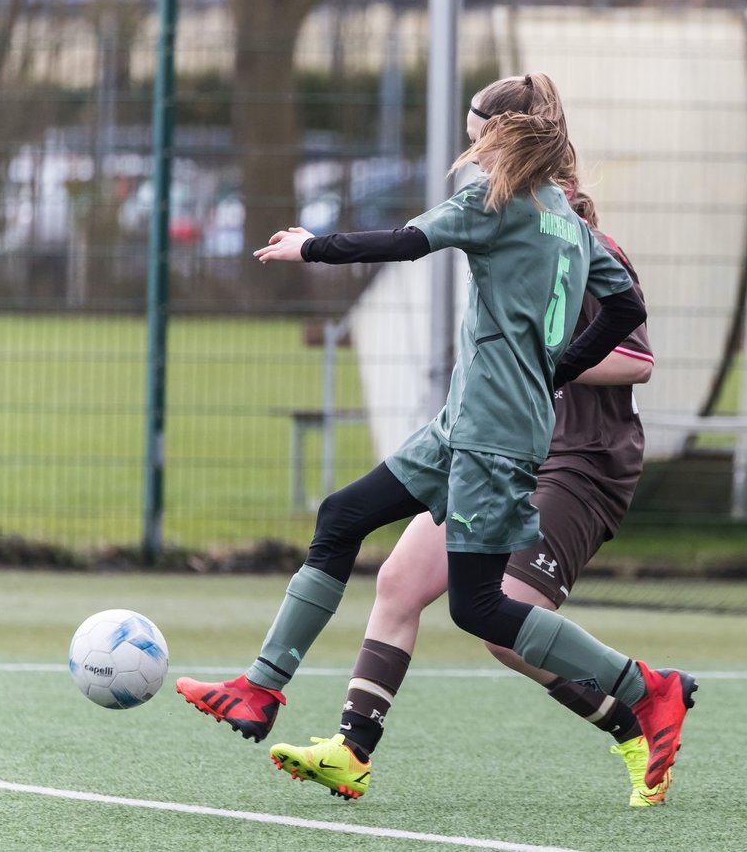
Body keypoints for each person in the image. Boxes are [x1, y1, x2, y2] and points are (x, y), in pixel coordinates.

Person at [175, 72, 696, 803]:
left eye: (472, 127)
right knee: (344, 516)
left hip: (492, 436)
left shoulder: (496, 200)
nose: (468, 142)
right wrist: (555, 366)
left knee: (482, 610)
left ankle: (647, 688)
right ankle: (260, 691)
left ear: (492, 132)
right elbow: (626, 306)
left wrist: (310, 247)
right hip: (465, 425)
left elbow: (407, 240)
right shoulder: (568, 222)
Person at [266, 188, 663, 807]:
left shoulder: (588, 253)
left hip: (578, 464)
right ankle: (351, 750)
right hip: (493, 447)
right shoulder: (509, 253)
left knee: (501, 621)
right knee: (399, 580)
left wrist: (541, 360)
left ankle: (636, 720)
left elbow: (637, 360)